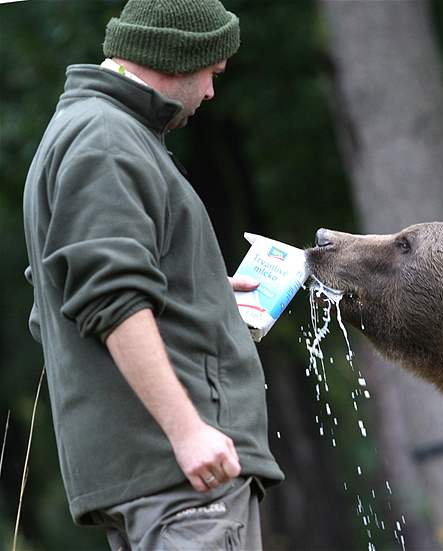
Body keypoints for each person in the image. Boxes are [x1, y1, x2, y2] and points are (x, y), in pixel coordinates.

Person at [21, 1, 284, 548]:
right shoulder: (106, 140)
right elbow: (110, 297)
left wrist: (202, 295)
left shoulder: (92, 130)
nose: (212, 93)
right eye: (212, 73)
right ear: (179, 57)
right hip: (185, 482)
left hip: (160, 479)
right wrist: (187, 432)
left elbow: (58, 306)